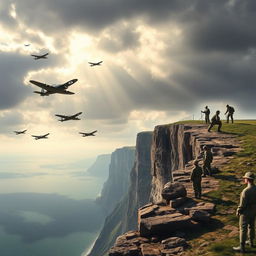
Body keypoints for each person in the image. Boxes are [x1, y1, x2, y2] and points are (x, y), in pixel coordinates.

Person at [233, 172, 256, 253]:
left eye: (245, 178)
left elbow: (242, 205)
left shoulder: (245, 191)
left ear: (247, 180)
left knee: (243, 228)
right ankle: (251, 242)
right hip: (254, 210)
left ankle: (242, 247)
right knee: (252, 226)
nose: (244, 179)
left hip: (246, 212)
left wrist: (238, 211)